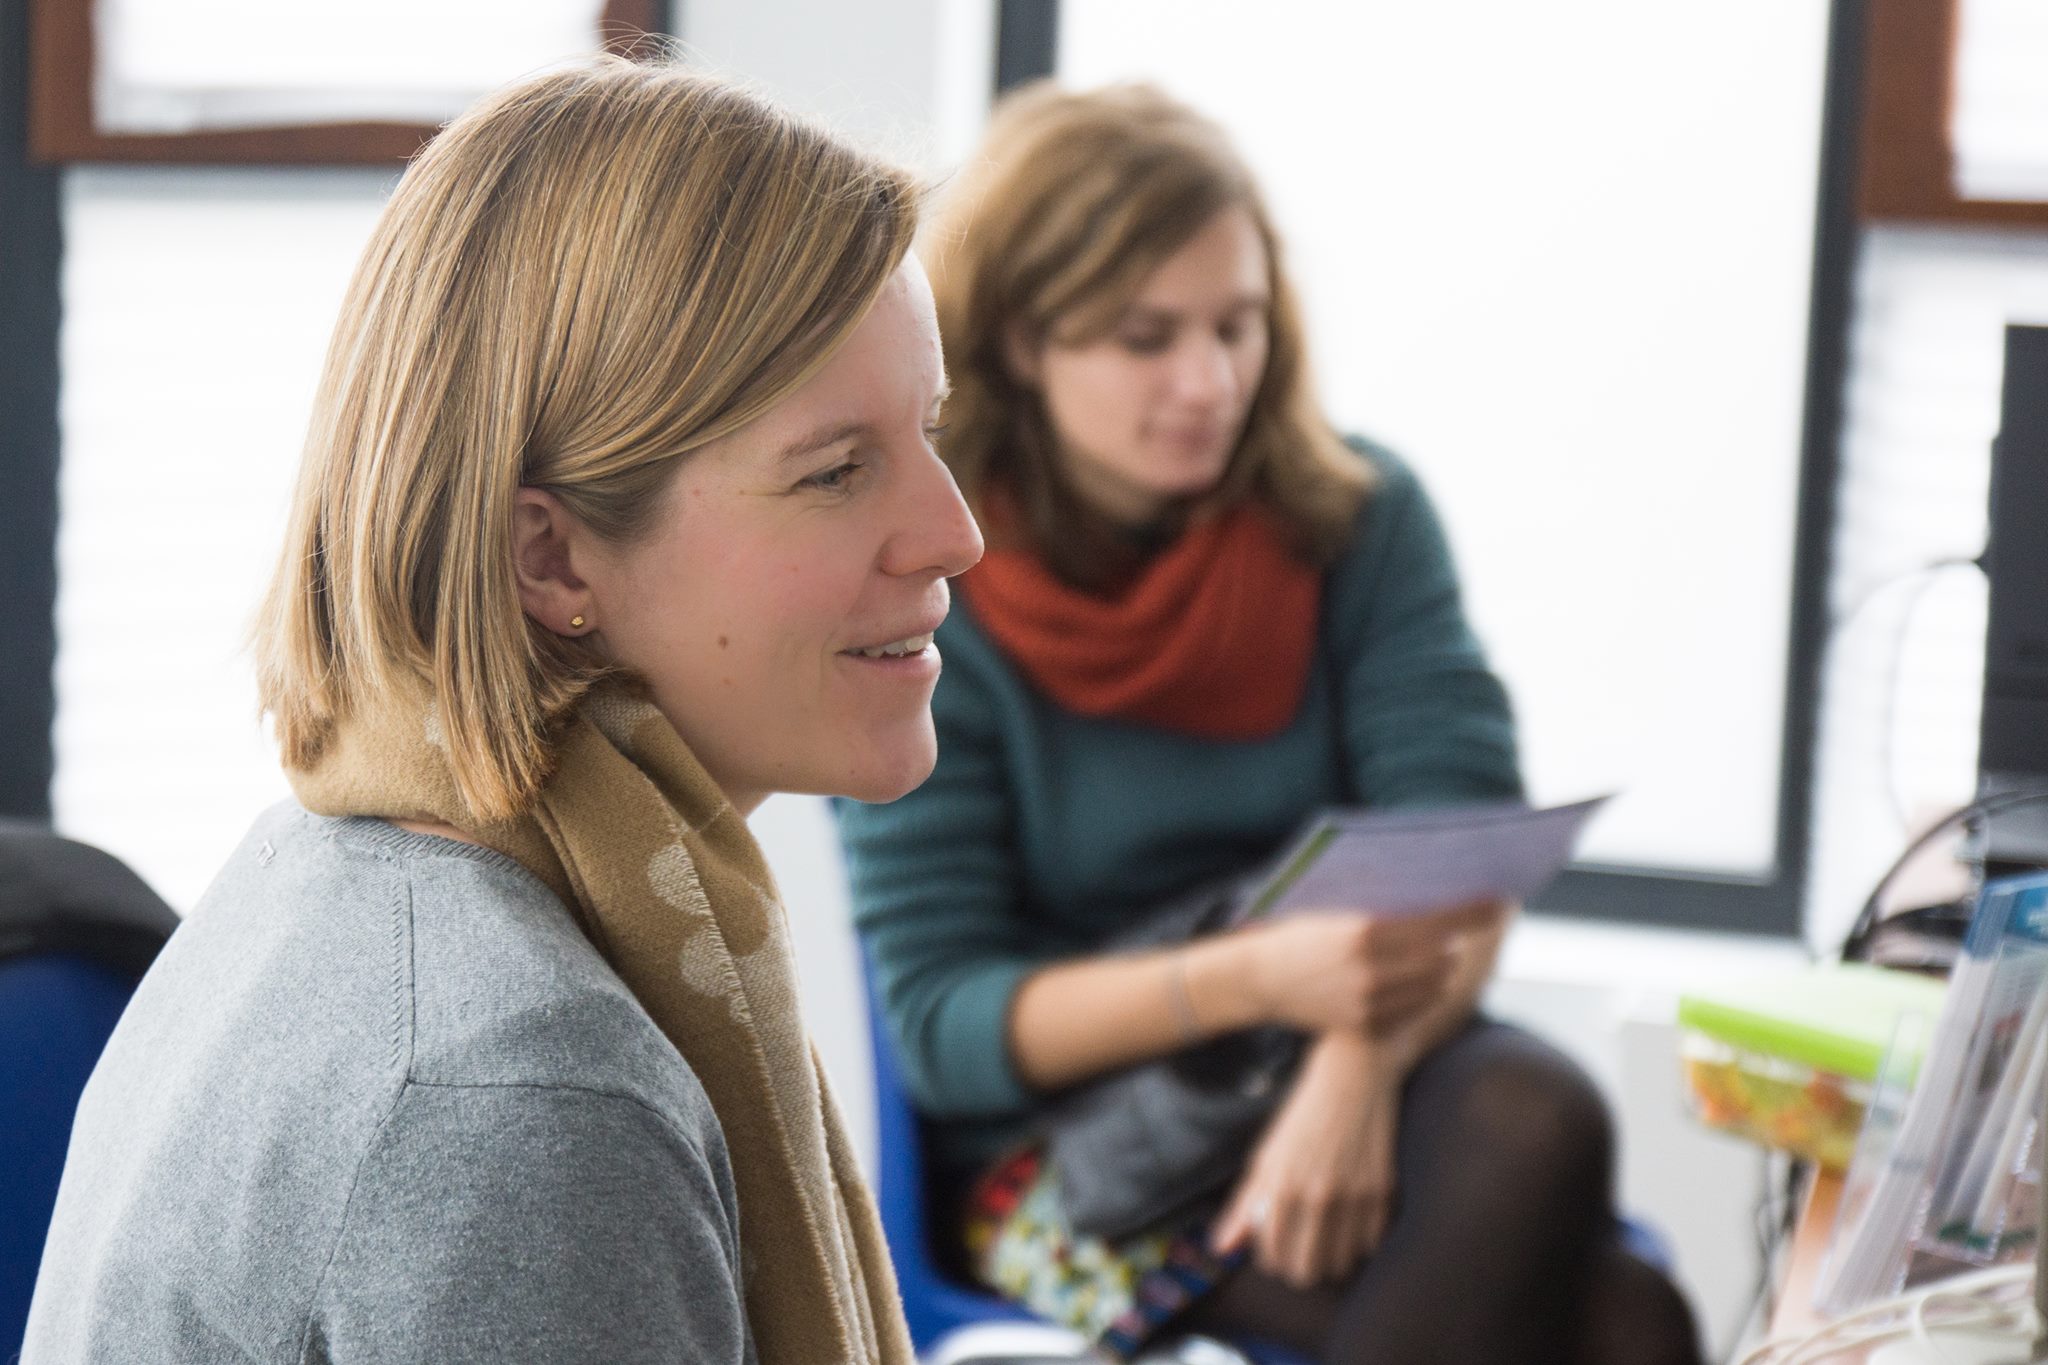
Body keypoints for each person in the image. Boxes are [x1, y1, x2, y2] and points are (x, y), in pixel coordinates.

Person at [25, 57, 982, 1364]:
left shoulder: (330, 872)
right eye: (836, 471)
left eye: (932, 433)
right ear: (551, 559)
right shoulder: (533, 1098)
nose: (956, 533)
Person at [835, 82, 1702, 1364]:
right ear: (1021, 340)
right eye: (1144, 337)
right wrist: (1253, 976)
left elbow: (1458, 851)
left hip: (1360, 1046)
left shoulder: (1357, 518)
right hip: (1078, 1146)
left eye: (1235, 326)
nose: (1207, 380)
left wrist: (1351, 1053)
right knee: (1620, 1323)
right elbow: (947, 1031)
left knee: (1542, 1114)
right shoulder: (929, 585)